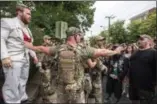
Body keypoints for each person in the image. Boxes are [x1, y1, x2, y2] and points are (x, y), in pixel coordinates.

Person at [24, 26, 123, 103]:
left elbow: (41, 48)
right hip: (77, 90)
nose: (80, 37)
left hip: (61, 90)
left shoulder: (58, 48)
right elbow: (102, 52)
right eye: (79, 35)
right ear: (74, 36)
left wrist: (24, 43)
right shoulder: (83, 50)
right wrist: (115, 52)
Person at [1, 1, 38, 103]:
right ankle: (12, 101)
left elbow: (28, 44)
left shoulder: (27, 29)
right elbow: (1, 39)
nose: (30, 16)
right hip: (13, 59)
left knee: (23, 80)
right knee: (12, 84)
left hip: (25, 58)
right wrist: (4, 57)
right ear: (19, 12)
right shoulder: (7, 22)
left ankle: (22, 97)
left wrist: (34, 55)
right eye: (28, 14)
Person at [127, 35, 156, 104]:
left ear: (149, 41)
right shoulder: (136, 52)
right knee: (134, 101)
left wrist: (153, 83)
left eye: (142, 39)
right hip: (133, 85)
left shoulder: (153, 52)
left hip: (146, 87)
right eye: (138, 39)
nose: (139, 41)